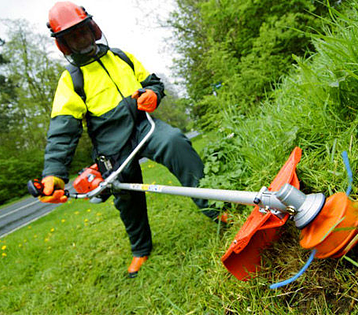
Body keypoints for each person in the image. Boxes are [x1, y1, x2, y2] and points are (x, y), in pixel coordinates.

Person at [39, 1, 223, 278]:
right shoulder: (71, 80)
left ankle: (216, 210)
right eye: (71, 37)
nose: (80, 39)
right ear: (63, 46)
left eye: (82, 32)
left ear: (93, 29)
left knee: (174, 141)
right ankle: (140, 250)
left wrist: (153, 94)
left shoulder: (122, 57)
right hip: (110, 144)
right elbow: (63, 130)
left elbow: (152, 82)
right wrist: (54, 173)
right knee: (126, 196)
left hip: (142, 127)